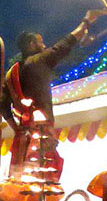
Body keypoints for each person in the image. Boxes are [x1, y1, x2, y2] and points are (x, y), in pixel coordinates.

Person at [0, 11, 99, 180]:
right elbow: (66, 42)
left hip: (22, 136)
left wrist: (16, 127)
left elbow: (3, 103)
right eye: (40, 42)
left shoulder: (11, 73)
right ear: (31, 45)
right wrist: (86, 21)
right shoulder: (40, 61)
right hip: (41, 136)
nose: (44, 45)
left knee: (20, 184)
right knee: (43, 181)